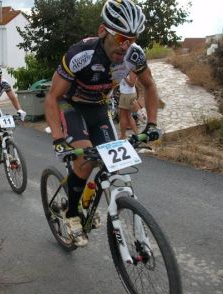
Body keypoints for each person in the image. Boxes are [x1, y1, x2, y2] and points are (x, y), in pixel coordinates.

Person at [45, 0, 160, 247]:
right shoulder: (80, 54)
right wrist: (57, 138)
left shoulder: (134, 55)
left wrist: (151, 124)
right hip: (71, 104)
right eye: (120, 38)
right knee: (85, 159)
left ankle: (86, 199)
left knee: (111, 163)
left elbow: (149, 85)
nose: (126, 45)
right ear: (102, 32)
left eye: (132, 38)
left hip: (97, 107)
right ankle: (72, 214)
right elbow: (53, 97)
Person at [118, 70, 139, 138]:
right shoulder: (126, 70)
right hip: (128, 94)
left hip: (127, 95)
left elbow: (132, 84)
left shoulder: (131, 71)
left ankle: (123, 136)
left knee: (122, 116)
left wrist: (124, 77)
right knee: (129, 116)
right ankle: (136, 134)